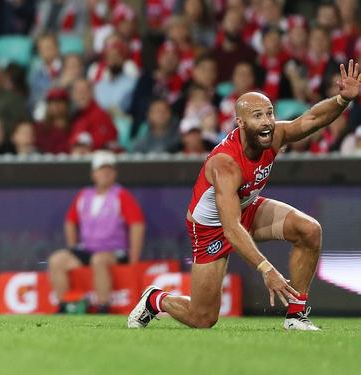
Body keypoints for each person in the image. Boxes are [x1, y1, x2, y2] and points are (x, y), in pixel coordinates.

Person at [128, 60, 361, 331]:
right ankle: (155, 300)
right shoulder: (225, 164)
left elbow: (310, 118)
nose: (267, 122)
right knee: (202, 319)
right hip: (210, 229)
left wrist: (342, 99)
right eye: (258, 116)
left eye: (269, 114)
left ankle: (295, 317)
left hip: (246, 209)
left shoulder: (274, 135)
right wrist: (266, 269)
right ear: (240, 122)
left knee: (309, 230)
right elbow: (230, 227)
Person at [48, 151, 145, 314]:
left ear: (115, 173)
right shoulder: (84, 195)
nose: (106, 173)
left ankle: (103, 305)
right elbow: (70, 221)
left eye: (110, 169)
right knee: (56, 260)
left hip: (114, 251)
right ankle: (65, 304)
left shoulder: (121, 195)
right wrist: (73, 247)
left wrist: (134, 257)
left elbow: (137, 224)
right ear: (94, 174)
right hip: (87, 248)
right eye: (102, 169)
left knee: (99, 260)